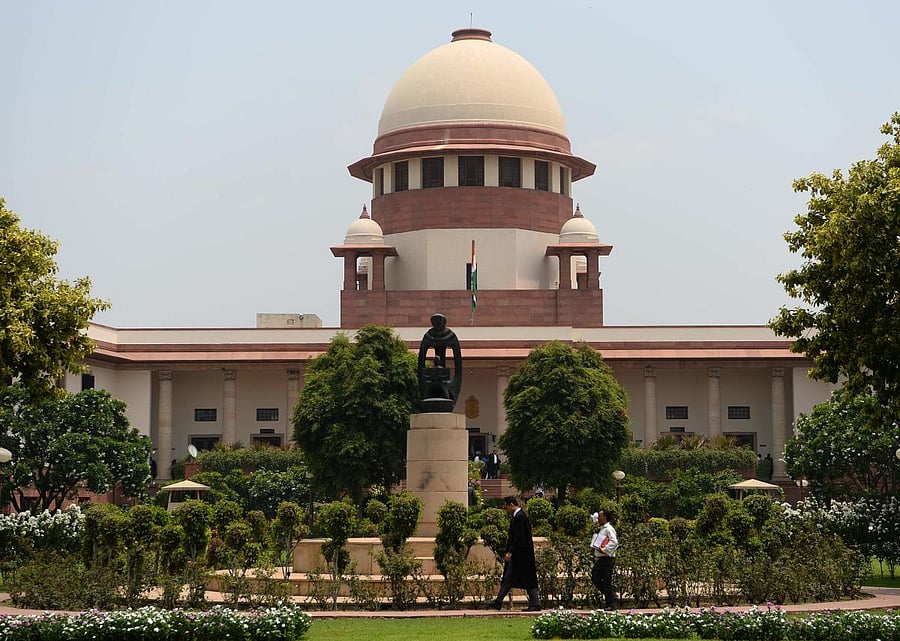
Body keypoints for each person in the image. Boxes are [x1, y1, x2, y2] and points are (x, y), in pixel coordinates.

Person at [488, 496, 541, 611]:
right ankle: (498, 601)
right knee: (509, 578)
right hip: (520, 554)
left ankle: (535, 604)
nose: (505, 509)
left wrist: (510, 552)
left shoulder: (520, 518)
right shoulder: (518, 517)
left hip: (521, 555)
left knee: (526, 578)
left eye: (506, 507)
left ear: (512, 505)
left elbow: (518, 538)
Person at [590, 509, 619, 611]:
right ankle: (611, 596)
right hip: (602, 558)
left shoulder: (609, 529)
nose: (598, 518)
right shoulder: (602, 529)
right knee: (596, 578)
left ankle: (610, 603)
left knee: (604, 580)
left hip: (607, 558)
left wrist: (604, 549)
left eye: (600, 516)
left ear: (605, 517)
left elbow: (614, 542)